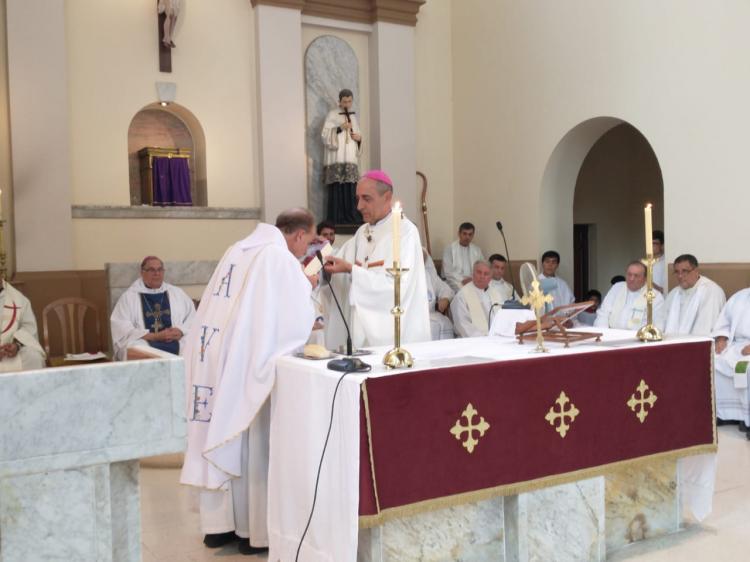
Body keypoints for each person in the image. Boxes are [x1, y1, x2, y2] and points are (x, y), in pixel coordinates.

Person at [180, 209, 316, 555]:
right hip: (249, 363)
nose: (304, 250)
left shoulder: (237, 249)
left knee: (223, 434)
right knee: (252, 441)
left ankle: (220, 526)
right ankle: (252, 531)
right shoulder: (277, 258)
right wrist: (308, 285)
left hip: (219, 358)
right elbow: (292, 319)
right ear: (299, 235)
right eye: (307, 241)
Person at [323, 170, 431, 348]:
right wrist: (319, 262)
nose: (359, 206)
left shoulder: (405, 232)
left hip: (393, 338)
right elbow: (335, 265)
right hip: (360, 334)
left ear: (387, 197)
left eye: (366, 198)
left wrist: (352, 270)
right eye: (357, 199)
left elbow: (398, 288)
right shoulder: (361, 233)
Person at [110, 256, 196, 361]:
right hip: (145, 340)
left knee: (194, 344)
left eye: (160, 269)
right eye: (151, 270)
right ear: (142, 272)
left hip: (174, 340)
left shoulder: (177, 293)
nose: (157, 273)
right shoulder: (129, 297)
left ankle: (183, 377)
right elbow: (122, 329)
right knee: (135, 349)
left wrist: (180, 330)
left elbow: (193, 317)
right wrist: (155, 336)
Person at [322, 89, 363, 224]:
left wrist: (359, 139)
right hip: (337, 157)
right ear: (339, 101)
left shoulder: (353, 117)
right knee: (337, 187)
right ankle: (337, 218)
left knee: (350, 187)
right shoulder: (332, 114)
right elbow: (325, 135)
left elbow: (357, 135)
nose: (347, 104)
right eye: (344, 101)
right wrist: (340, 128)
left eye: (349, 101)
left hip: (350, 157)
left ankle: (351, 217)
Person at [712, 288, 750, 425]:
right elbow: (724, 323)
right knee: (714, 361)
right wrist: (721, 339)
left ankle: (746, 419)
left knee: (743, 368)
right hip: (735, 344)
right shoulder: (739, 297)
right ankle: (724, 414)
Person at [664, 254, 725, 336]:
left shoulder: (711, 291)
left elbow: (705, 329)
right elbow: (662, 322)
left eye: (684, 271)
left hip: (698, 344)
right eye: (677, 272)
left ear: (696, 271)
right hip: (672, 343)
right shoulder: (674, 293)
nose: (680, 276)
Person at [595, 261, 665, 331]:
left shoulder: (655, 296)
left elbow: (658, 324)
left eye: (636, 275)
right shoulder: (617, 287)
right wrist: (604, 334)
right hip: (612, 335)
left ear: (645, 278)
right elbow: (603, 313)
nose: (631, 279)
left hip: (638, 338)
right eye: (629, 274)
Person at [450, 261, 506, 338]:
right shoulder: (462, 296)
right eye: (479, 272)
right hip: (472, 341)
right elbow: (462, 324)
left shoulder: (496, 294)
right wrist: (483, 339)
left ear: (490, 277)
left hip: (496, 339)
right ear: (473, 274)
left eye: (486, 274)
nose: (482, 276)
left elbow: (503, 318)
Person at [0, 279, 46, 371]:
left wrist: (16, 345)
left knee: (33, 357)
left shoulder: (19, 299)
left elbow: (29, 328)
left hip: (7, 353)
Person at [442, 222, 485, 292]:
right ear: (459, 234)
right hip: (454, 282)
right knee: (465, 293)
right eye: (464, 234)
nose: (467, 237)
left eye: (470, 234)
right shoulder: (449, 249)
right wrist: (463, 280)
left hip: (472, 281)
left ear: (473, 235)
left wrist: (472, 280)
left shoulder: (477, 250)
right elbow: (448, 273)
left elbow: (482, 268)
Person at [424, 249, 455, 340]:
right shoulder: (404, 275)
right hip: (412, 316)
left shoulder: (429, 275)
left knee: (446, 323)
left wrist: (446, 298)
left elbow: (446, 289)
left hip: (431, 314)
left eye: (424, 258)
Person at [652, 230, 667, 294]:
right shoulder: (645, 262)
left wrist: (649, 283)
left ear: (662, 245)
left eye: (654, 243)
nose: (651, 246)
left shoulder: (665, 263)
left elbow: (666, 290)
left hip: (661, 300)